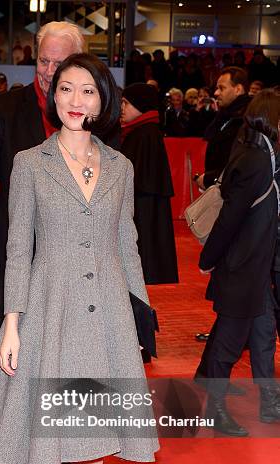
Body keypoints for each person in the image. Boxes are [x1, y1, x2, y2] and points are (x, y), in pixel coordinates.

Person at [0, 52, 159, 464]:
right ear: (54, 97)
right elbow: (16, 248)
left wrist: (142, 313)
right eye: (67, 89)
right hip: (49, 310)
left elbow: (128, 244)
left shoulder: (122, 167)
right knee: (47, 430)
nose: (76, 101)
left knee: (92, 428)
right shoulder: (29, 162)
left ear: (103, 100)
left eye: (88, 91)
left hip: (107, 316)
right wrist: (11, 322)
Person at [0, 20, 85, 464]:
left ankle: (74, 450)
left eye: (59, 62)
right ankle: (11, 451)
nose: (49, 72)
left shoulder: (89, 110)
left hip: (73, 262)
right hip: (17, 255)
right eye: (43, 60)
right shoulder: (10, 107)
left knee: (74, 358)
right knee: (12, 356)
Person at [198, 89, 280, 435]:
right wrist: (208, 259)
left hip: (256, 268)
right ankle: (213, 409)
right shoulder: (256, 160)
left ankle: (269, 402)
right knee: (230, 342)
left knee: (262, 333)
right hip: (242, 267)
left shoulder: (264, 155)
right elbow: (229, 219)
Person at [193, 67, 251, 344]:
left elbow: (240, 166)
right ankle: (228, 331)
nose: (216, 92)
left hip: (234, 201)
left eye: (222, 87)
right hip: (225, 194)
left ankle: (229, 333)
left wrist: (212, 177)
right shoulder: (227, 118)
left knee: (229, 269)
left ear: (239, 89)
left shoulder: (244, 120)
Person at [120, 83, 178, 286]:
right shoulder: (142, 131)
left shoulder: (144, 134)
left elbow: (138, 181)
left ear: (140, 105)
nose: (122, 108)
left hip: (142, 214)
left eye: (126, 103)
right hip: (143, 211)